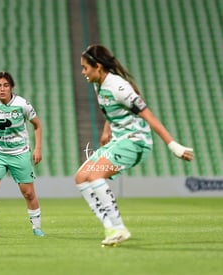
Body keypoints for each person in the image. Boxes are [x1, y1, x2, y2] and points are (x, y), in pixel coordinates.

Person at [75, 45, 194, 246]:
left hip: (136, 140)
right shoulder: (99, 84)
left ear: (98, 66)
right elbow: (111, 110)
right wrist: (106, 131)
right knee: (81, 177)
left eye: (85, 67)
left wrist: (173, 145)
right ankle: (110, 227)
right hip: (120, 138)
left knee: (95, 175)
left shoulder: (118, 87)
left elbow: (149, 116)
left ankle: (119, 228)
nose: (83, 72)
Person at [0, 71, 45, 237]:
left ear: (12, 87)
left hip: (19, 153)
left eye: (6, 85)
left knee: (28, 193)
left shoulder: (22, 105)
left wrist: (37, 148)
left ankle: (37, 228)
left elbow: (37, 125)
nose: (2, 89)